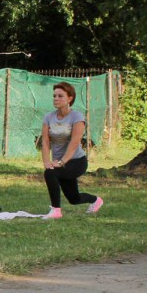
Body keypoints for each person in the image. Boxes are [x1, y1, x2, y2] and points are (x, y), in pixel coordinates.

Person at [40, 81, 103, 219]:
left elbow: (75, 142)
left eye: (60, 96)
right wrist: (46, 161)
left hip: (76, 161)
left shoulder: (77, 117)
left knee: (50, 173)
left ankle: (56, 211)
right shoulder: (48, 117)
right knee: (74, 199)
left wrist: (62, 162)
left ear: (70, 98)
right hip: (59, 162)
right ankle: (96, 200)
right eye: (54, 96)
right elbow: (45, 141)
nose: (56, 99)